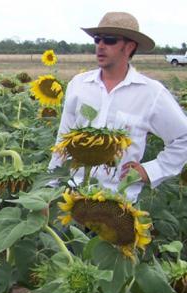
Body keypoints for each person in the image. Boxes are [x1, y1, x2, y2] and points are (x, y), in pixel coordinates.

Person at [48, 12, 187, 202]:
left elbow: (183, 137)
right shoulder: (79, 85)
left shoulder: (151, 93)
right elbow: (62, 142)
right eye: (98, 39)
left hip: (118, 205)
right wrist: (50, 189)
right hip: (73, 198)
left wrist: (150, 170)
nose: (100, 46)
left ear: (129, 47)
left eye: (110, 40)